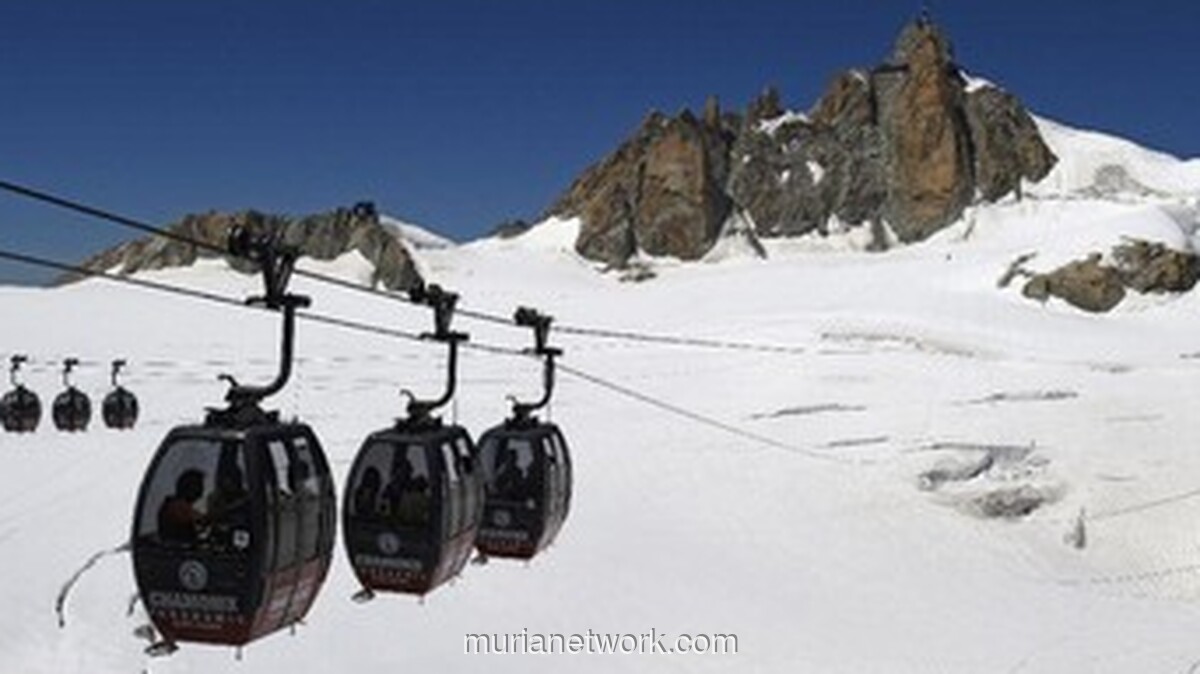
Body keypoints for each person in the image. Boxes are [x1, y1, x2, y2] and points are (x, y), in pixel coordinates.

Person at [158, 469, 206, 544]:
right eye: (199, 487)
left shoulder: (176, 505)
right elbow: (194, 519)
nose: (201, 492)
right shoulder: (176, 508)